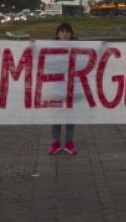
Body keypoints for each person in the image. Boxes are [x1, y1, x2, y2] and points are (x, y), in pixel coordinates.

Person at [50, 22, 79, 154]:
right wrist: (33, 45)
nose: (65, 33)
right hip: (56, 88)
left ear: (71, 34)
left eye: (67, 31)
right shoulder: (50, 48)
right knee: (56, 116)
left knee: (70, 116)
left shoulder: (78, 48)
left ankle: (69, 142)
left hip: (72, 88)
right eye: (62, 31)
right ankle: (55, 142)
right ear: (57, 35)